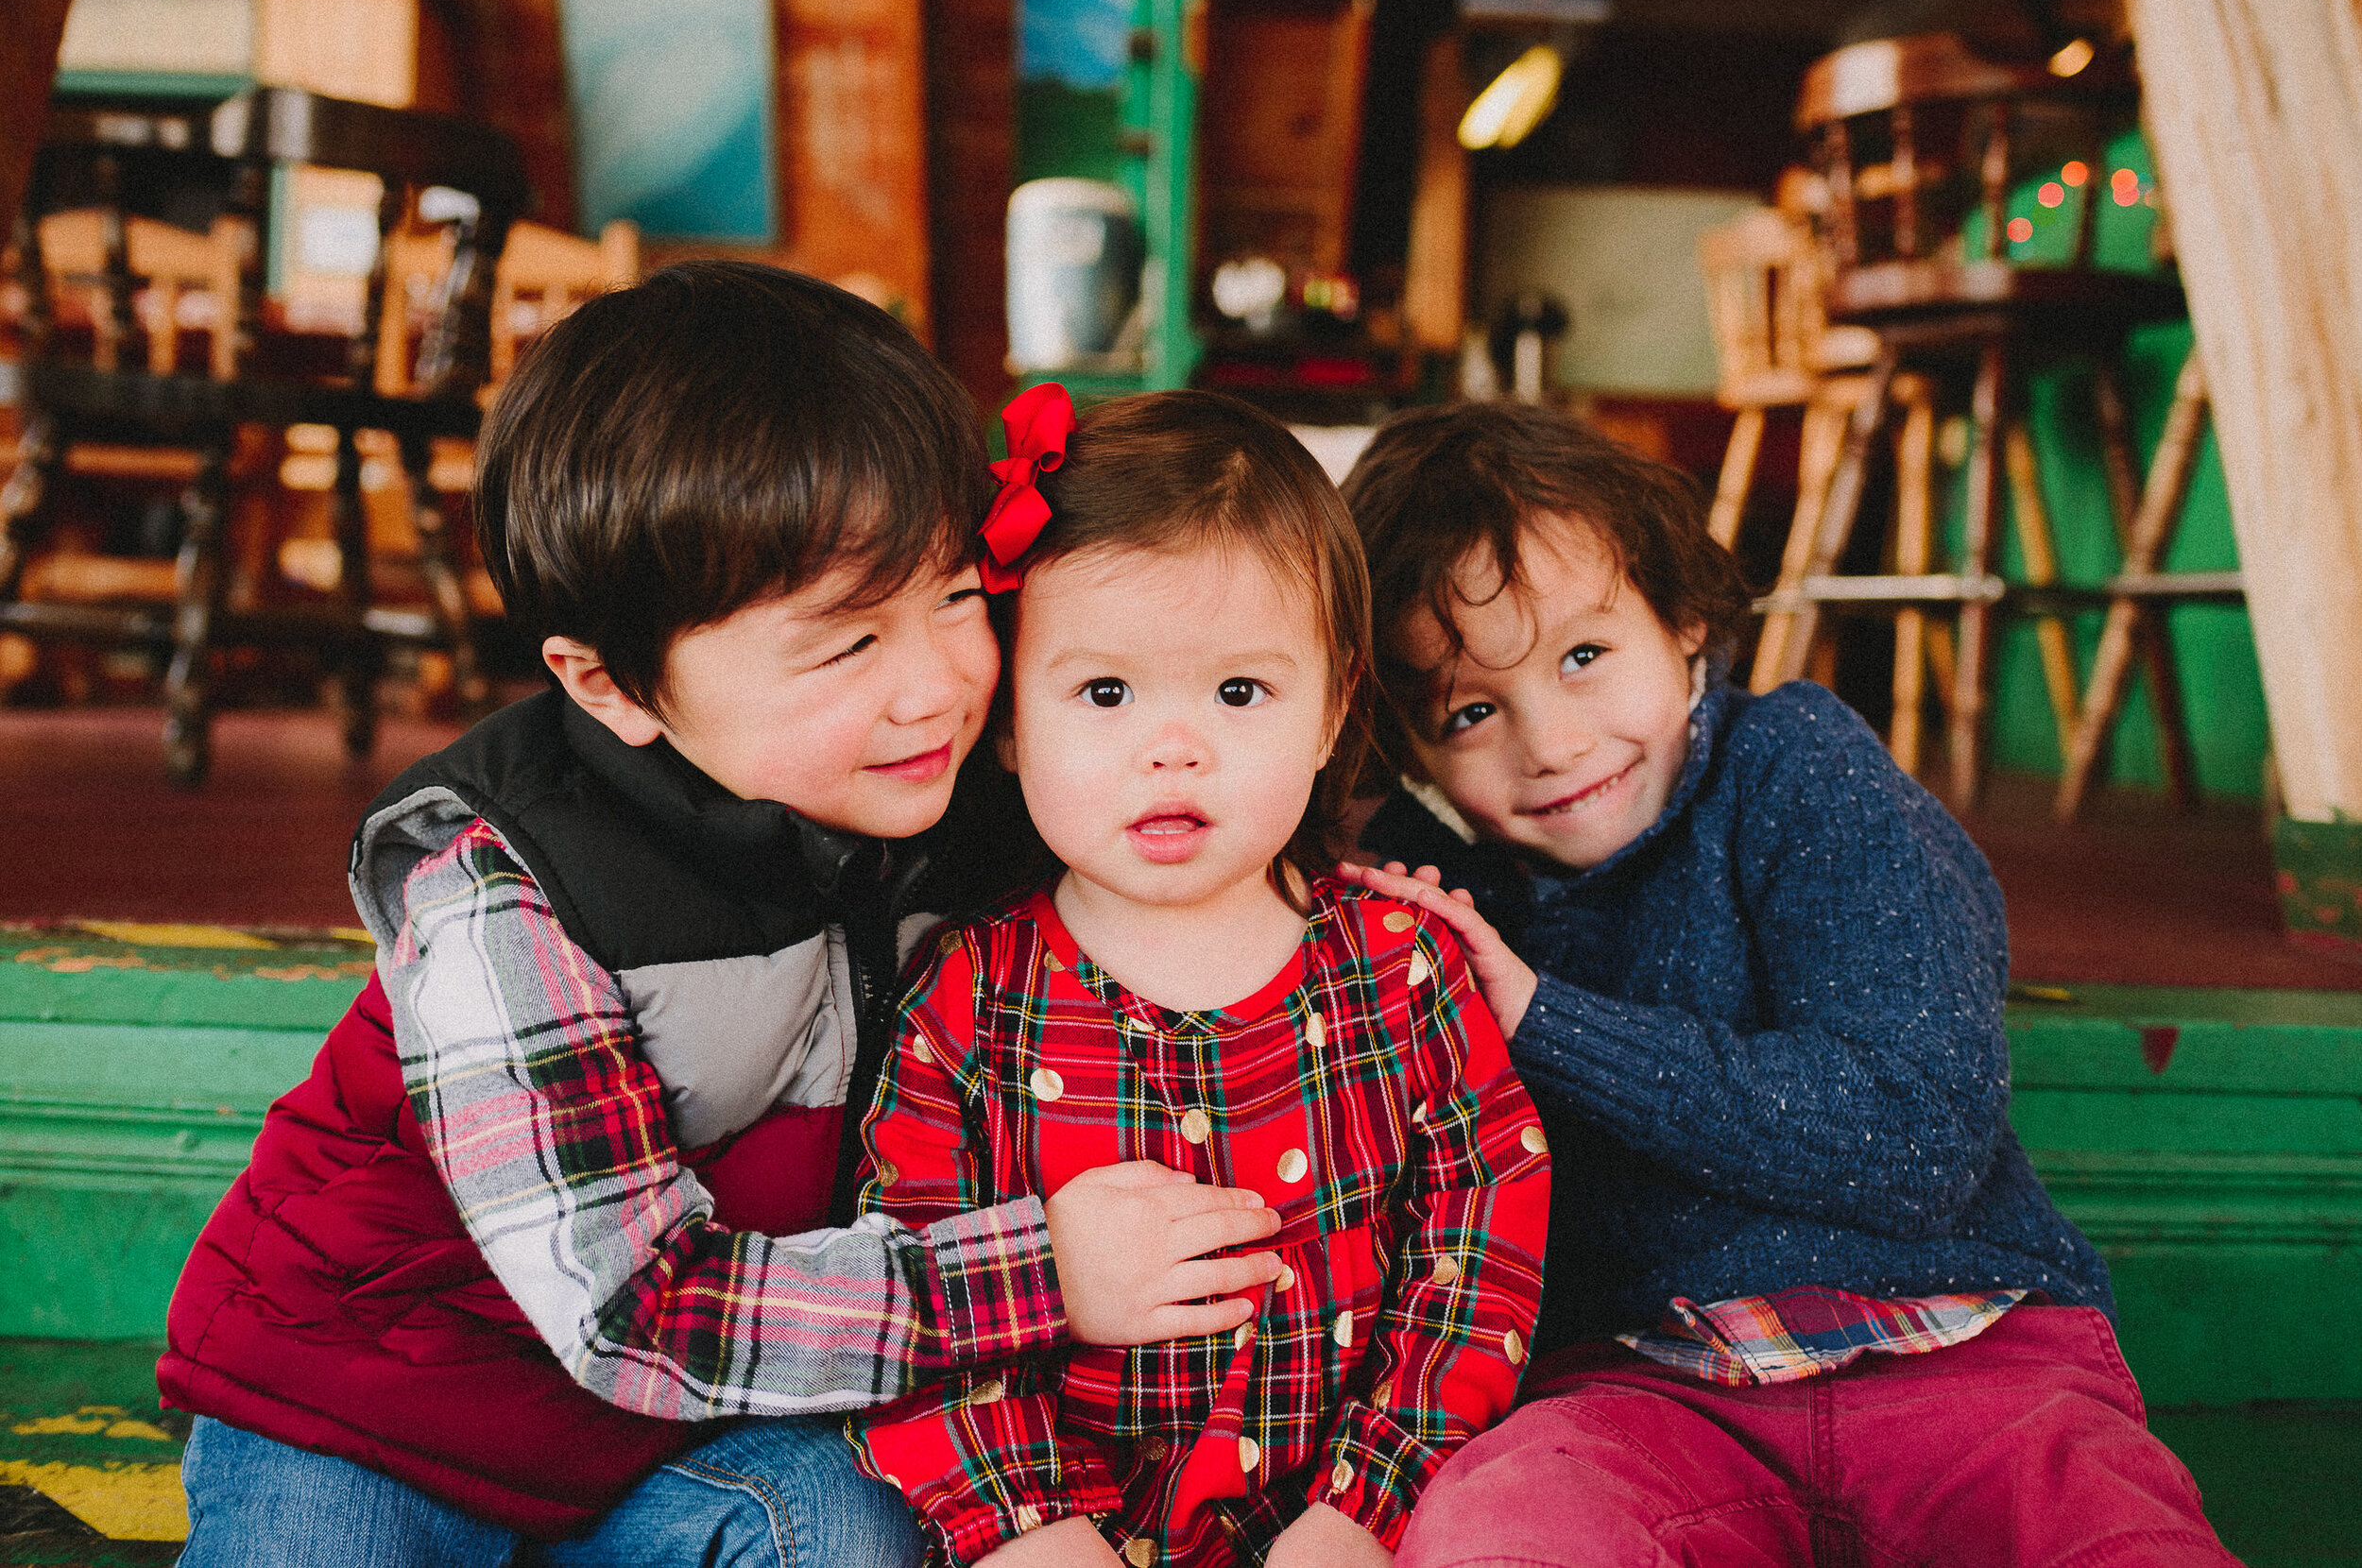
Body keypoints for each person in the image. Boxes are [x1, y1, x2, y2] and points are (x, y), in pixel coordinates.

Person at [159, 265, 1286, 1568]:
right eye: (844, 645)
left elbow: (1190, 806)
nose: (936, 684)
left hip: (680, 1444)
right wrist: (1043, 1273)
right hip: (368, 1414)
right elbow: (632, 1310)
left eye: (955, 598)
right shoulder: (506, 889)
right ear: (611, 683)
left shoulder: (960, 808)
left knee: (851, 1537)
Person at [1333, 401, 2237, 1566]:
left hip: (1965, 1357)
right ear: (1409, 752)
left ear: (1686, 620)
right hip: (1641, 1392)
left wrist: (1542, 1021)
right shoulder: (1434, 886)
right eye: (1468, 712)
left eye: (1583, 655)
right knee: (1498, 1527)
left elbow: (1917, 1136)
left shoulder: (1798, 770)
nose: (1549, 741)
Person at [847, 386, 1551, 1568]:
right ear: (1011, 718)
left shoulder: (1401, 963)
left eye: (1239, 692)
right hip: (1052, 1533)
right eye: (1105, 693)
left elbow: (1479, 1243)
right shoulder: (966, 995)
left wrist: (1367, 1505)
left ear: (1333, 708)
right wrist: (1032, 1527)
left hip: (1344, 1527)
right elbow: (916, 1285)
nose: (1172, 749)